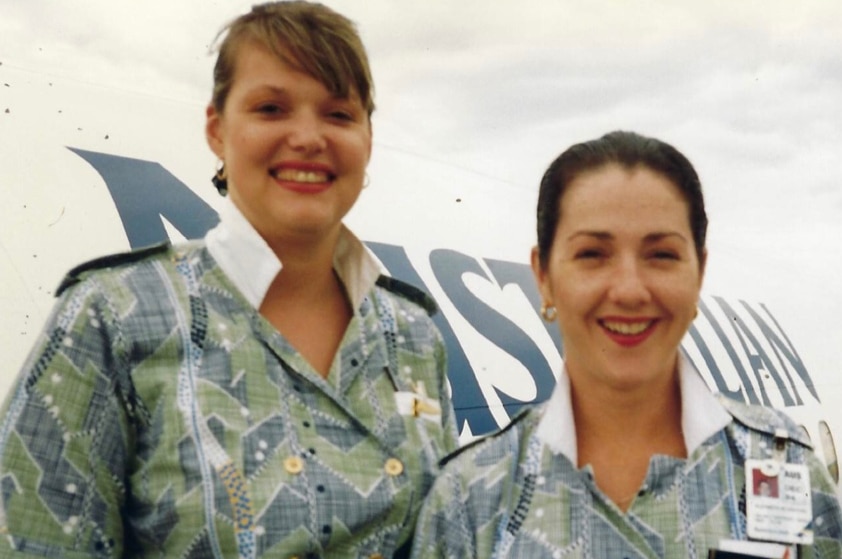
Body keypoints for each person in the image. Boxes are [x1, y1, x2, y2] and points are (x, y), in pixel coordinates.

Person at [0, 2, 458, 557]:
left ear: (367, 137)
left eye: (339, 114)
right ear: (217, 130)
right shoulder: (112, 320)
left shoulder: (412, 334)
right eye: (271, 108)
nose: (309, 137)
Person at [411, 131, 842, 558]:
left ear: (699, 272)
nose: (630, 291)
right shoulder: (468, 501)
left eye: (662, 255)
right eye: (592, 254)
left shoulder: (786, 467)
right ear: (543, 275)